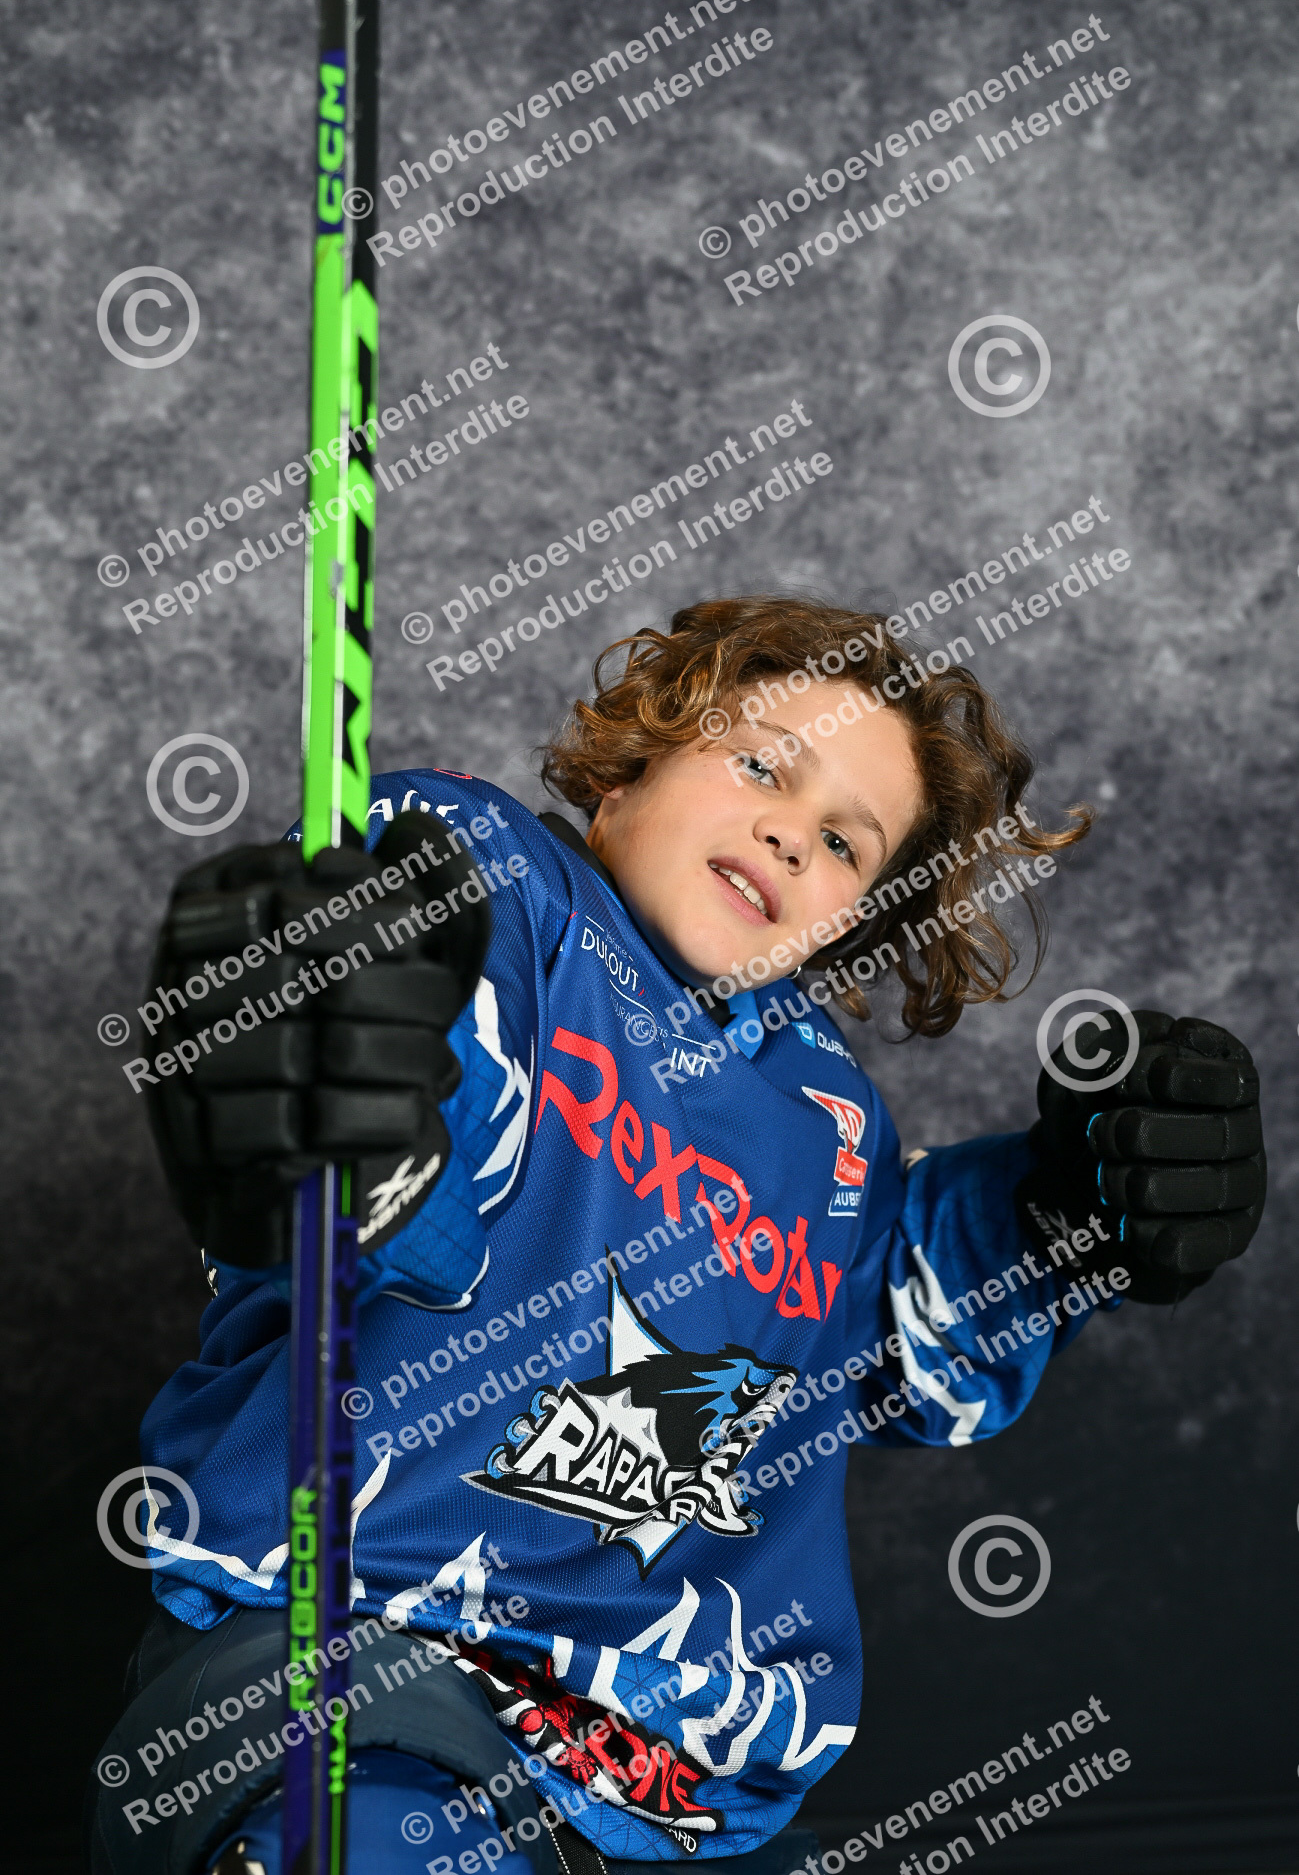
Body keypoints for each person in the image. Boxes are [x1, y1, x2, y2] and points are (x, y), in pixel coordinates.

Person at [89, 597, 1266, 1874]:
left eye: (845, 843)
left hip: (664, 1770)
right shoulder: (494, 878)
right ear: (628, 767)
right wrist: (354, 1097)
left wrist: (1071, 1213)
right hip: (354, 1648)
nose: (792, 832)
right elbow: (436, 1097)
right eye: (761, 765)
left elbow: (878, 1341)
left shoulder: (828, 1120)